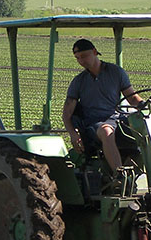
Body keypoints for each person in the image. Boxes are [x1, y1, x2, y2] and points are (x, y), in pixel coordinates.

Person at [62, 38, 144, 173]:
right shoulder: (79, 81)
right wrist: (73, 134)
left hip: (117, 118)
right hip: (94, 123)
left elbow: (132, 97)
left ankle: (142, 168)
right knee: (107, 132)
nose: (81, 61)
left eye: (84, 56)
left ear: (94, 52)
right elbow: (67, 113)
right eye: (78, 58)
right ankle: (120, 175)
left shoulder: (116, 72)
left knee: (144, 128)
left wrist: (144, 104)